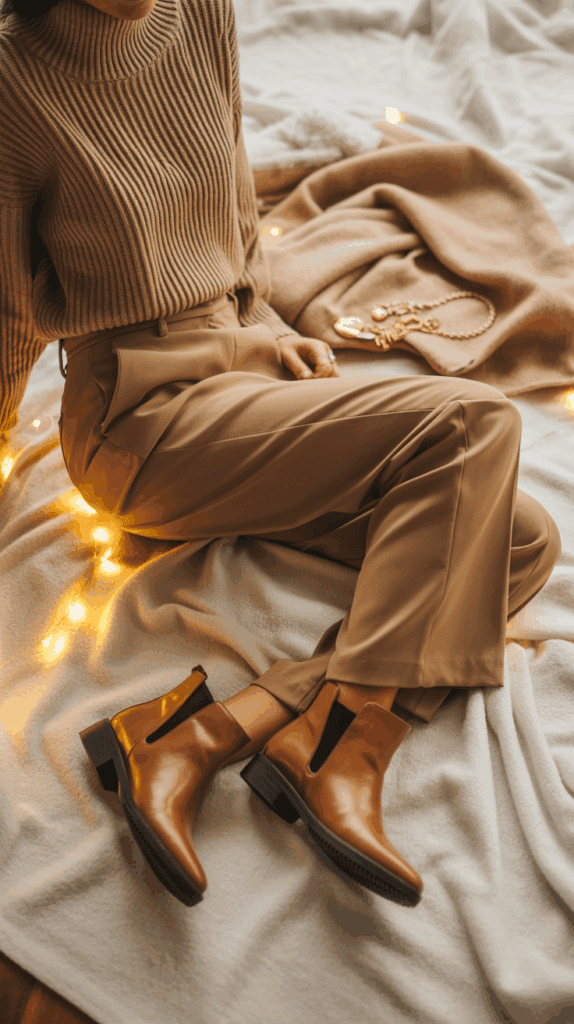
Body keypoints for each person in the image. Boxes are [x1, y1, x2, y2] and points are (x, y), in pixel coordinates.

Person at [0, 0, 561, 910]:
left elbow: (227, 192)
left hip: (237, 357)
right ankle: (345, 741)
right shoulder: (14, 73)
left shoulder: (196, 8)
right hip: (139, 420)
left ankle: (206, 731)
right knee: (473, 424)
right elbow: (9, 308)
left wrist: (256, 321)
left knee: (520, 541)